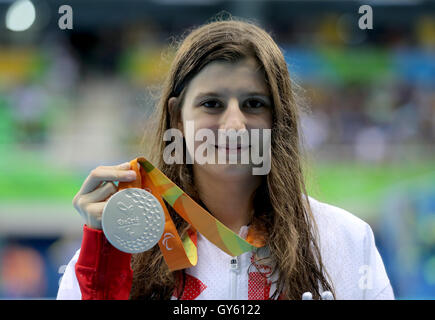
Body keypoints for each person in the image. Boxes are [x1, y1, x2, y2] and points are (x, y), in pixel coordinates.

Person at [57, 17, 394, 300]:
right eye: (212, 104)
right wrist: (103, 260)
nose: (234, 124)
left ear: (278, 119)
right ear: (177, 118)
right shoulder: (124, 245)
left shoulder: (345, 239)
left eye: (254, 104)